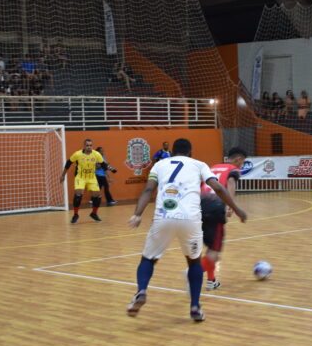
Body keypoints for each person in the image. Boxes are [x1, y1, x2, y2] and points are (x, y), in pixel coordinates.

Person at [126, 138, 247, 322]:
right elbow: (218, 188)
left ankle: (141, 291)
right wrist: (237, 209)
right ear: (190, 152)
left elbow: (148, 189)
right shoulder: (199, 164)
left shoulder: (160, 165)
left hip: (163, 217)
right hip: (190, 219)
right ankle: (195, 307)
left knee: (148, 259)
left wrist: (137, 214)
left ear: (172, 151)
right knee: (194, 262)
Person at [200, 147, 248, 290]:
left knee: (210, 248)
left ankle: (211, 280)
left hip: (199, 205)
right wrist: (231, 205)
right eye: (242, 162)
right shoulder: (233, 169)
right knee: (215, 251)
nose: (241, 165)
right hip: (215, 206)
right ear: (238, 159)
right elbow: (231, 183)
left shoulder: (214, 167)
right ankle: (193, 273)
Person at [61, 138, 112, 224]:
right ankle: (75, 215)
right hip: (80, 177)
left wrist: (109, 177)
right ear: (84, 146)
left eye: (90, 145)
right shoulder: (78, 154)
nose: (89, 147)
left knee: (98, 196)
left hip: (91, 178)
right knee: (78, 194)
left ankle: (94, 213)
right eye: (87, 145)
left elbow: (104, 165)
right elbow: (68, 163)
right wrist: (63, 175)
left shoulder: (96, 154)